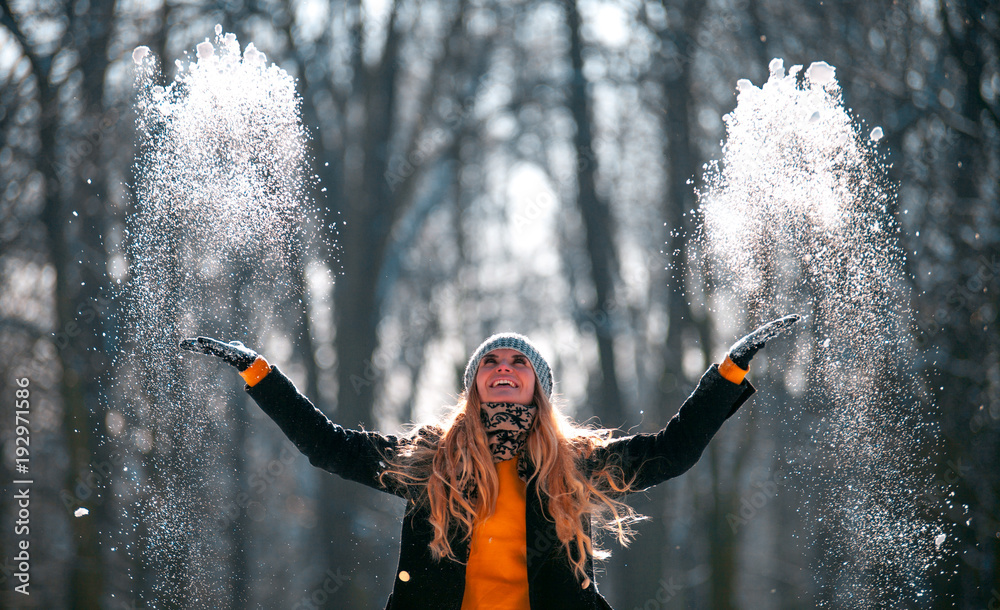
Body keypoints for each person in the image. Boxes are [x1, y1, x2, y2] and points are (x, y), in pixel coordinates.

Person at [180, 315, 799, 609]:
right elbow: (328, 445)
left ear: (538, 387)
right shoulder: (430, 462)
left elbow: (671, 451)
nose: (503, 370)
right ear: (475, 385)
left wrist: (729, 373)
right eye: (491, 365)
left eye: (518, 363)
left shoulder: (573, 466)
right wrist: (259, 373)